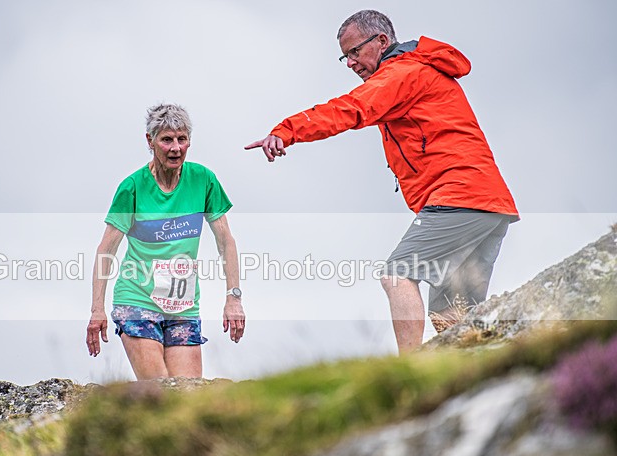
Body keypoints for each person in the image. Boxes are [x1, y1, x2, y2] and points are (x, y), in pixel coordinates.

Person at [245, 10, 518, 354]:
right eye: (344, 56)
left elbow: (350, 108)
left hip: (460, 194)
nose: (349, 63)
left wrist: (287, 131)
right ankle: (472, 382)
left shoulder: (402, 73)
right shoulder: (413, 70)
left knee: (397, 274)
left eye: (355, 52)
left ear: (381, 42)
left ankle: (408, 368)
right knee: (452, 315)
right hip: (487, 203)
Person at [87, 103, 245, 379]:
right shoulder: (132, 187)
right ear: (150, 141)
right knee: (159, 389)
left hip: (183, 305)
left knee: (188, 395)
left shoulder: (204, 180)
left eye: (182, 139)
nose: (175, 148)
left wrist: (233, 298)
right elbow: (106, 250)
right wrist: (96, 309)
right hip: (137, 299)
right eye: (167, 140)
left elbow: (226, 242)